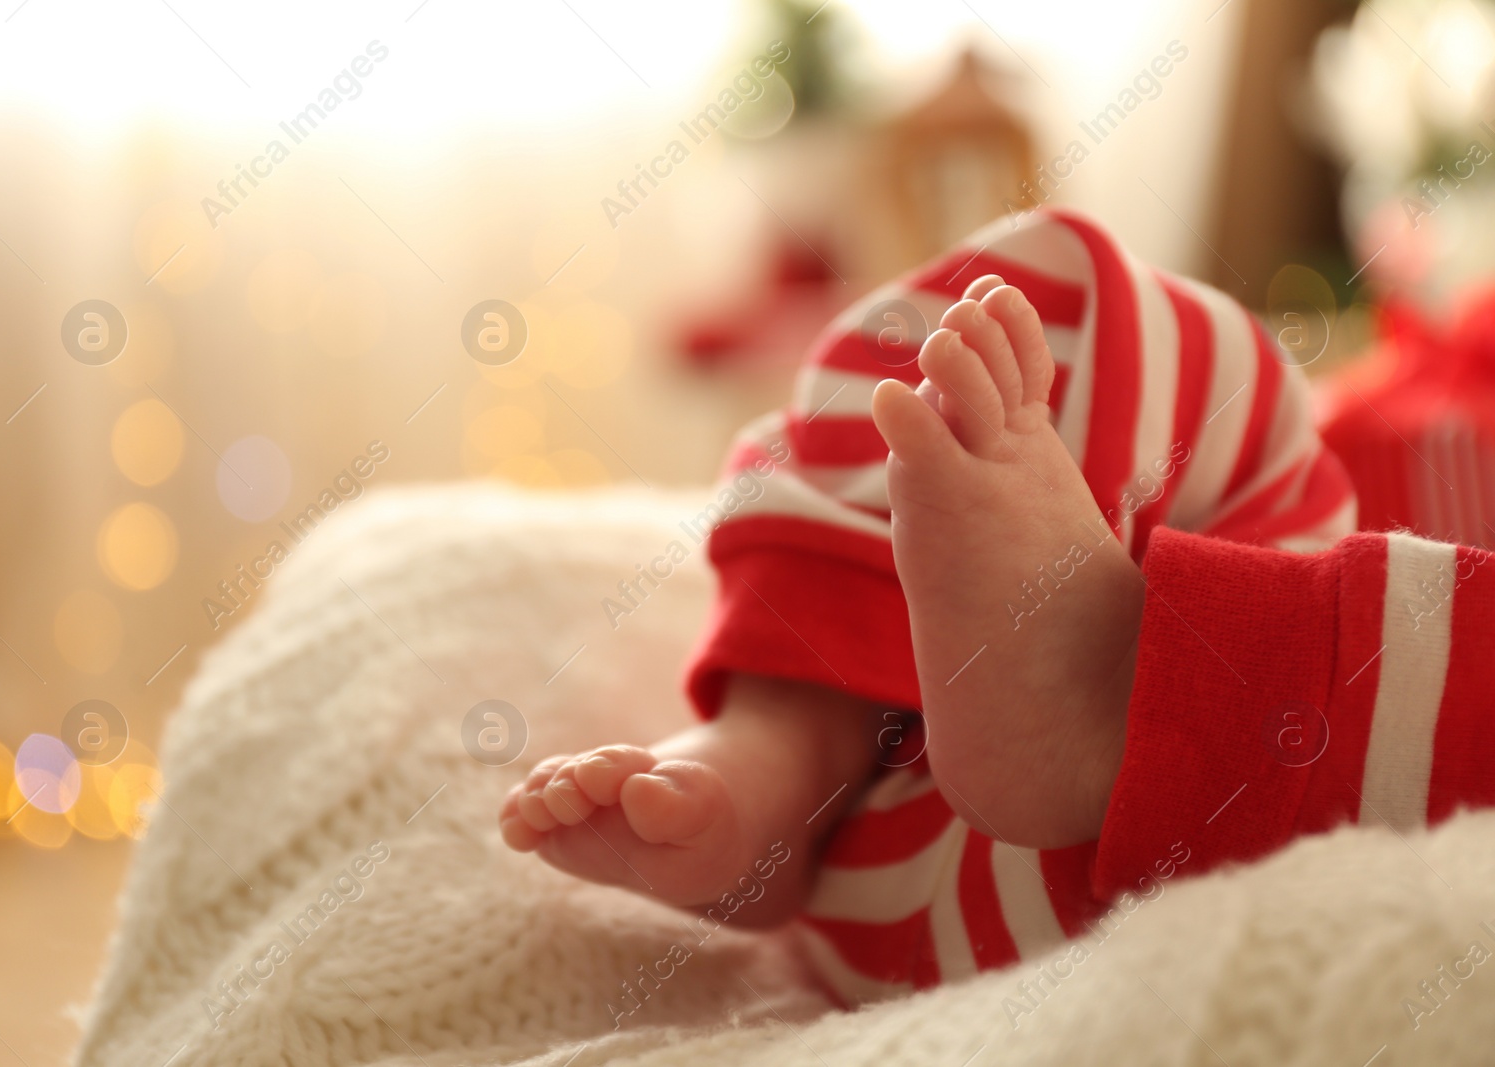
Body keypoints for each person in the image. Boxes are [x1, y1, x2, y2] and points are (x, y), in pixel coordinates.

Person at [497, 208, 1492, 1003]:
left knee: (1092, 300)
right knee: (1071, 304)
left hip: (1097, 852)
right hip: (920, 884)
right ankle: (791, 741)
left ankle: (1100, 679)